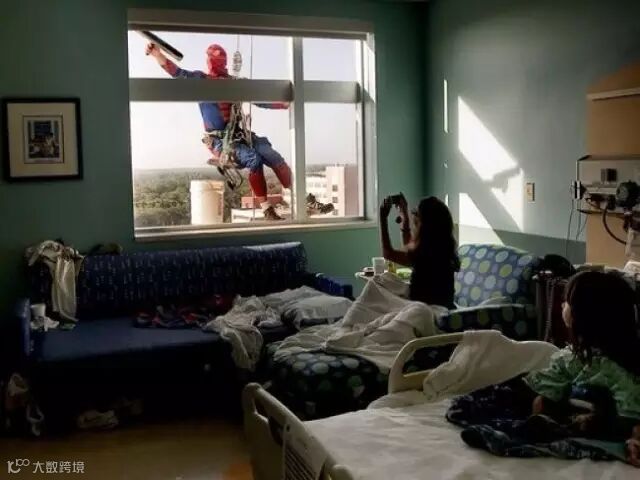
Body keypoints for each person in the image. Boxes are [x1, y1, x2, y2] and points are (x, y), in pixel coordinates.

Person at [145, 42, 332, 220]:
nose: (218, 64)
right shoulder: (201, 81)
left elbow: (259, 99)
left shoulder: (234, 83)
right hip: (220, 142)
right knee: (253, 159)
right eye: (215, 60)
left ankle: (307, 200)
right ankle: (267, 210)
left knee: (272, 155)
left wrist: (283, 104)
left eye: (220, 60)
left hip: (239, 136)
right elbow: (177, 73)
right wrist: (157, 54)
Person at [523, 271, 640, 466]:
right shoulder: (571, 357)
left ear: (584, 314)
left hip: (608, 423)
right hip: (575, 412)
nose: (562, 305)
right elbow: (548, 386)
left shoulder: (617, 368)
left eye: (567, 302)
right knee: (539, 401)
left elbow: (629, 415)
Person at [379, 194, 459, 308]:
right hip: (445, 307)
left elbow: (388, 253)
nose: (413, 217)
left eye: (415, 213)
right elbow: (410, 247)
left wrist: (382, 219)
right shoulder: (443, 248)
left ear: (424, 223)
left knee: (379, 282)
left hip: (426, 310)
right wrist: (404, 215)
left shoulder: (425, 253)